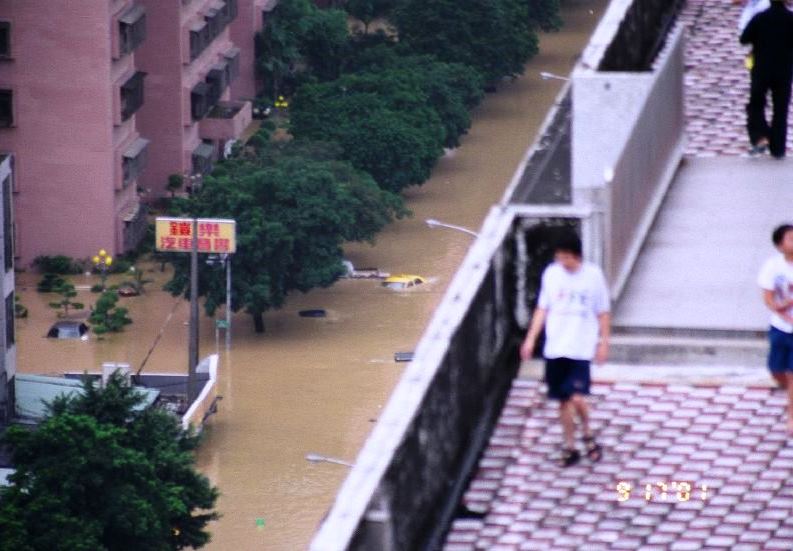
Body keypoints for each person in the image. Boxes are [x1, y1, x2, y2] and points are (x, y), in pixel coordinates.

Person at [520, 232, 611, 467]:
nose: (563, 262)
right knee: (563, 401)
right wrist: (531, 339)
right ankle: (571, 446)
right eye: (559, 257)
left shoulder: (593, 277)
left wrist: (603, 343)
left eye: (566, 258)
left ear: (576, 256)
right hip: (555, 347)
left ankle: (588, 433)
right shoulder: (551, 274)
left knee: (576, 396)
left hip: (580, 347)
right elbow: (543, 309)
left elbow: (603, 312)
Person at [739, 0, 793, 158]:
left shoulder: (760, 18)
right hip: (784, 70)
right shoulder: (791, 19)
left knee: (756, 103)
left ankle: (760, 136)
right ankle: (778, 149)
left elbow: (744, 39)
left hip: (761, 68)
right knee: (780, 109)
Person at [757, 223, 793, 435]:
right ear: (779, 245)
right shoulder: (773, 266)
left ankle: (791, 417)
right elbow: (768, 297)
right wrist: (780, 307)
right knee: (777, 370)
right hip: (780, 328)